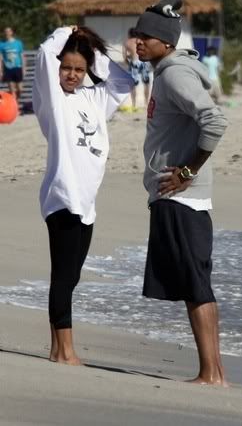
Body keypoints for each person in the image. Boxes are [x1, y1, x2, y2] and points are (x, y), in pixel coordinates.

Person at [134, 0, 228, 385]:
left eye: (147, 36)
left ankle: (211, 374)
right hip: (176, 197)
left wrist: (188, 170)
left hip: (181, 197)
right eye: (138, 33)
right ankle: (213, 371)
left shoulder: (175, 74)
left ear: (166, 42)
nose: (138, 40)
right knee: (194, 283)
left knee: (195, 284)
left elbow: (214, 121)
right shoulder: (166, 70)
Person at [32, 25, 133, 365]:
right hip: (62, 198)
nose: (72, 74)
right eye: (66, 68)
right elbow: (46, 54)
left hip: (87, 205)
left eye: (78, 69)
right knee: (62, 276)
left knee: (71, 277)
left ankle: (59, 349)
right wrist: (68, 31)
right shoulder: (52, 100)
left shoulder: (93, 99)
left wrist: (91, 49)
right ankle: (64, 351)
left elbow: (122, 82)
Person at [122, 27, 151, 110]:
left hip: (134, 63)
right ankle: (146, 103)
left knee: (133, 85)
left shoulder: (127, 42)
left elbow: (124, 57)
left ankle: (134, 103)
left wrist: (129, 61)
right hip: (144, 61)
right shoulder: (140, 41)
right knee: (146, 83)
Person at [0, 27, 25, 102]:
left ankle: (14, 100)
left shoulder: (18, 43)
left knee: (20, 89)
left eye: (8, 31)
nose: (7, 33)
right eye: (5, 32)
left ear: (11, 32)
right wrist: (1, 71)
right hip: (8, 68)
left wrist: (23, 68)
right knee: (12, 90)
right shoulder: (2, 44)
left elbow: (22, 56)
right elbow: (0, 58)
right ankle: (15, 106)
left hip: (17, 67)